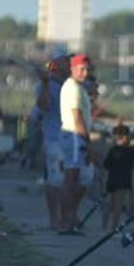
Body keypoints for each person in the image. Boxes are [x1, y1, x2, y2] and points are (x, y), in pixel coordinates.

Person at [58, 54, 95, 234]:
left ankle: (71, 216)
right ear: (72, 69)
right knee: (70, 180)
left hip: (76, 138)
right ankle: (66, 221)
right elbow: (76, 117)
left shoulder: (79, 88)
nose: (85, 72)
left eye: (87, 69)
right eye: (81, 69)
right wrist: (88, 143)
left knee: (84, 178)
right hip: (74, 137)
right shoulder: (73, 88)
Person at [35, 54, 68, 231]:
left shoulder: (71, 84)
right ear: (55, 65)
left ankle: (67, 217)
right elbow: (44, 106)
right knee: (56, 178)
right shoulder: (45, 85)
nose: (68, 63)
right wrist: (46, 83)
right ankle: (54, 219)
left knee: (74, 180)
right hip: (54, 138)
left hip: (72, 139)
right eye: (64, 61)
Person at [102, 123, 134, 231]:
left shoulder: (113, 150)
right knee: (118, 206)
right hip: (123, 181)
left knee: (109, 203)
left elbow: (106, 164)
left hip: (111, 180)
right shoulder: (131, 150)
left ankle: (104, 226)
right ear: (126, 137)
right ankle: (114, 228)